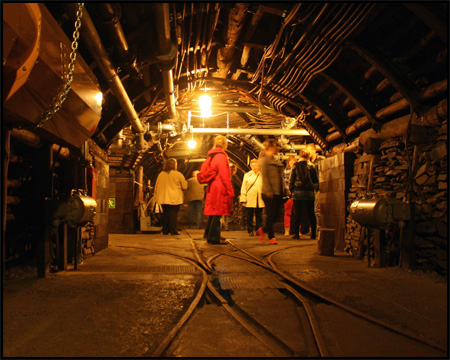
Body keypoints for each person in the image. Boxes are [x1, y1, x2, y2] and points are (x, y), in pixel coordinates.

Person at [203, 135, 234, 244]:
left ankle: (209, 234)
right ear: (225, 145)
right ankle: (214, 238)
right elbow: (225, 175)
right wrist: (230, 190)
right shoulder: (221, 156)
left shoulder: (212, 155)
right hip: (219, 187)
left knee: (213, 212)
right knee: (217, 212)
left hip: (213, 186)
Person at [257, 139, 285, 245]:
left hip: (278, 191)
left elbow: (280, 177)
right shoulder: (264, 160)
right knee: (270, 214)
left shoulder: (276, 160)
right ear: (270, 147)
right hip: (268, 192)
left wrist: (285, 189)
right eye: (276, 147)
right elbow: (265, 176)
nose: (277, 149)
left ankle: (263, 230)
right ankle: (271, 237)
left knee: (275, 215)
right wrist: (268, 190)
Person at [289, 150, 318, 240]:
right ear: (308, 157)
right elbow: (316, 180)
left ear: (300, 156)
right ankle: (313, 234)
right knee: (311, 213)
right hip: (309, 192)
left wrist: (291, 190)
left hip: (298, 192)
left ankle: (296, 234)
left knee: (297, 213)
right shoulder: (312, 166)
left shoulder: (295, 166)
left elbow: (291, 180)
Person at [154, 158, 188, 235]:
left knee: (165, 214)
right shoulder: (178, 174)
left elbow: (156, 186)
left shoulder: (161, 174)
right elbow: (184, 186)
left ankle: (165, 230)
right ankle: (173, 230)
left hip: (163, 198)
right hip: (174, 198)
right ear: (175, 165)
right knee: (173, 214)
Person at [240, 158, 264, 236]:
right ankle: (250, 230)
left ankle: (258, 229)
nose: (254, 167)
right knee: (249, 215)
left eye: (256, 165)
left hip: (259, 198)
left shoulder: (262, 175)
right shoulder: (247, 175)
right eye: (253, 165)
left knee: (259, 215)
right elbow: (244, 187)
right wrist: (243, 197)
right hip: (250, 197)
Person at [306, 143, 325, 236]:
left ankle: (320, 230)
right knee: (312, 210)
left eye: (309, 151)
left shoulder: (321, 160)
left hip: (319, 188)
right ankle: (313, 229)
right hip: (311, 189)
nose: (307, 153)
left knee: (317, 210)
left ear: (314, 150)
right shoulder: (309, 162)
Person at [221, 163, 240, 231]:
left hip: (228, 197)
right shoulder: (229, 177)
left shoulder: (231, 177)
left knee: (226, 212)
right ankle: (224, 225)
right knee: (223, 212)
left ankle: (225, 225)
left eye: (233, 170)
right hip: (225, 197)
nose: (232, 171)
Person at [283, 155, 297, 236]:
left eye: (294, 162)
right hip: (289, 194)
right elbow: (285, 182)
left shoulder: (286, 171)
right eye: (291, 162)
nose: (292, 163)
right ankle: (287, 230)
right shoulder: (286, 171)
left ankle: (297, 230)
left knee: (297, 212)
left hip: (294, 193)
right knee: (288, 212)